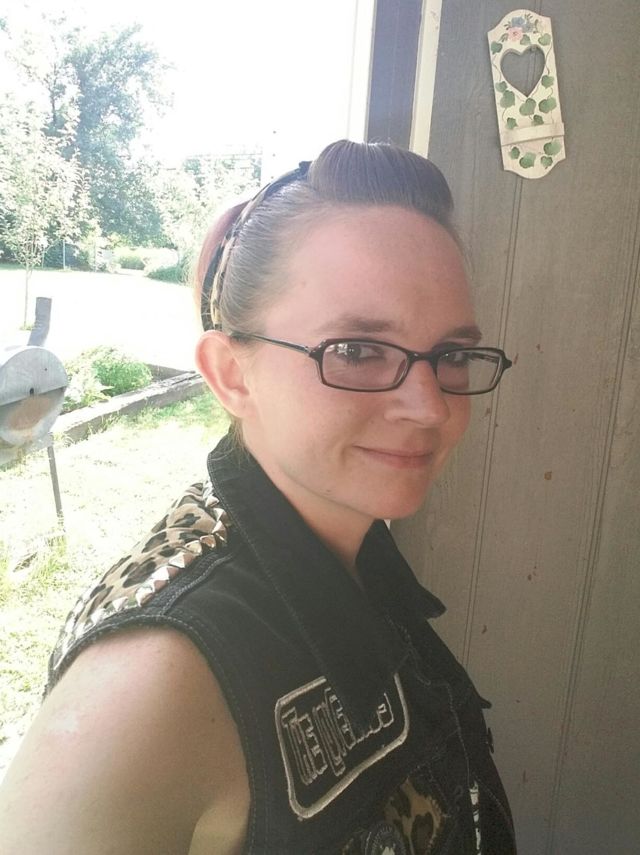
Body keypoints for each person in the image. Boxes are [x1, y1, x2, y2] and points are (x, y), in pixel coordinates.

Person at [0, 140, 515, 854]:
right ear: (230, 374)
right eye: (357, 350)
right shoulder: (149, 688)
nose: (429, 407)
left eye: (451, 355)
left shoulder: (354, 551)